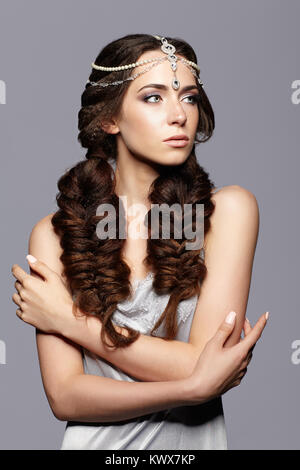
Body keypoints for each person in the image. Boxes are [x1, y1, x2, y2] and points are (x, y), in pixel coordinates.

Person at [11, 34, 268, 450]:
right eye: (153, 98)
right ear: (110, 120)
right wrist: (189, 390)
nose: (178, 115)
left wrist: (70, 321)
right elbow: (65, 396)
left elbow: (202, 361)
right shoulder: (54, 234)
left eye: (188, 97)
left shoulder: (228, 212)